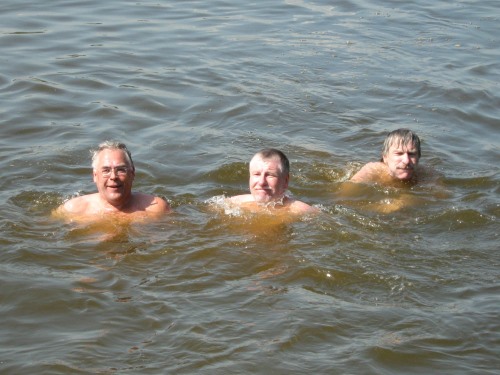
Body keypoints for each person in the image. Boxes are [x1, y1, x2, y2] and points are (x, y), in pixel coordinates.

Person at [54, 141, 170, 220]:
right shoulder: (73, 210)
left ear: (132, 173)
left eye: (121, 170)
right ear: (95, 175)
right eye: (106, 170)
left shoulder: (156, 209)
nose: (113, 176)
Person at [228, 148, 316, 214]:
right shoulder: (233, 204)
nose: (261, 182)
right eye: (256, 174)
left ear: (285, 181)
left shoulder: (303, 212)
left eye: (270, 175)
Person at [350, 128, 422, 185]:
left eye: (411, 154)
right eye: (399, 153)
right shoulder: (373, 170)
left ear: (419, 156)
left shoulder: (424, 175)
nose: (406, 161)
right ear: (385, 157)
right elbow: (346, 192)